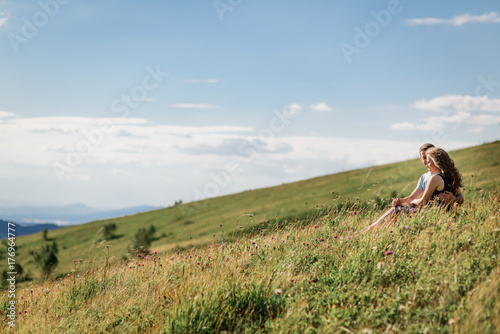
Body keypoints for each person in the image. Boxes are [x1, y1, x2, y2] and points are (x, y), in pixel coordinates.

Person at [368, 145, 463, 229]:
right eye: (425, 159)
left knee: (396, 210)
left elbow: (423, 201)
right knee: (399, 212)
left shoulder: (435, 178)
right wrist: (404, 200)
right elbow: (415, 197)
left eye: (429, 161)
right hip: (444, 214)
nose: (427, 164)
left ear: (436, 162)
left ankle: (370, 229)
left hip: (435, 215)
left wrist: (413, 202)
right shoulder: (450, 176)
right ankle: (375, 229)